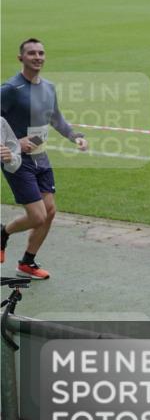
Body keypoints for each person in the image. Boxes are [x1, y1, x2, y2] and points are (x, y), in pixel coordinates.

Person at [1, 39, 88, 278]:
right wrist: (14, 143)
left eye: (41, 53)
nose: (37, 57)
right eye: (31, 53)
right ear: (21, 58)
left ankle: (27, 262)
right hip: (17, 160)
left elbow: (56, 118)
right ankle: (3, 232)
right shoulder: (10, 89)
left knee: (49, 212)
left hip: (41, 157)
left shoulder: (48, 87)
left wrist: (74, 136)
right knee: (37, 216)